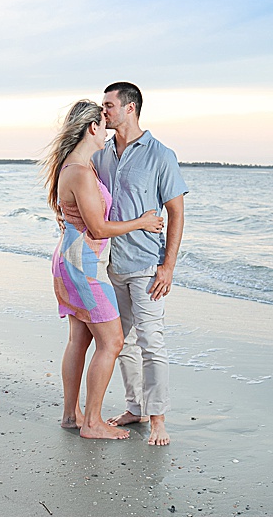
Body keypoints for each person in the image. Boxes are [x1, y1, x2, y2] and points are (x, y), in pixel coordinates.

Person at [41, 99, 164, 440]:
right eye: (103, 125)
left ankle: (71, 415)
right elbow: (97, 229)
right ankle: (92, 422)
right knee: (112, 341)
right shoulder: (79, 172)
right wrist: (142, 222)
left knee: (79, 339)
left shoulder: (78, 166)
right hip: (83, 268)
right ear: (92, 128)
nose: (107, 131)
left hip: (71, 262)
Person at [92, 82, 188, 446]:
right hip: (113, 264)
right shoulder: (101, 154)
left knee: (151, 342)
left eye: (109, 106)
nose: (104, 112)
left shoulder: (161, 155)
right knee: (121, 343)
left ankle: (159, 419)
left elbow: (176, 212)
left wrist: (168, 266)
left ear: (130, 108)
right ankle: (136, 408)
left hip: (148, 266)